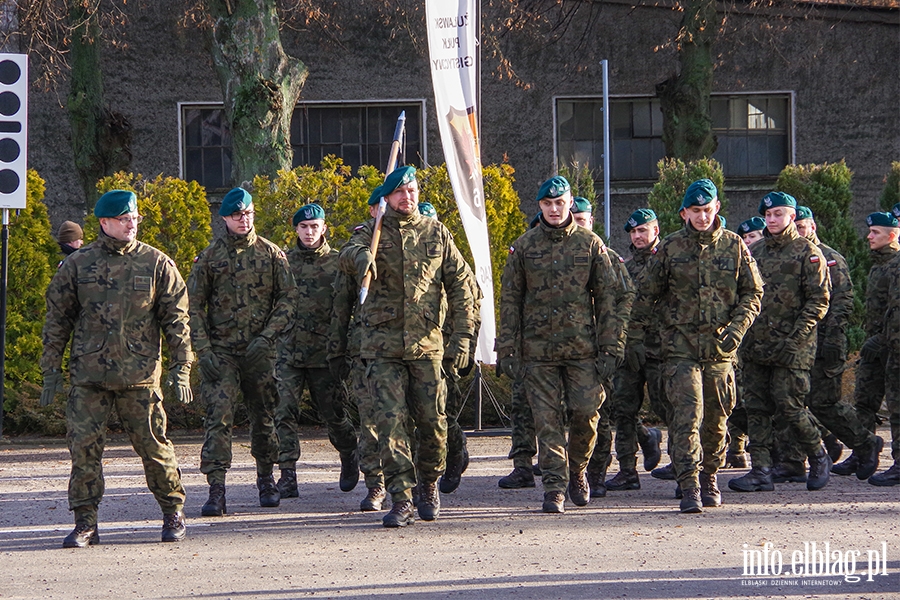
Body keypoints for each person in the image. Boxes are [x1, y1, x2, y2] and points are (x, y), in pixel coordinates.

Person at [40, 189, 193, 547]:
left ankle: (173, 513)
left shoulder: (156, 263)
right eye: (124, 219)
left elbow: (177, 320)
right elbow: (56, 321)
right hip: (89, 377)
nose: (131, 224)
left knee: (155, 449)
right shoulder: (78, 265)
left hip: (139, 377)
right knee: (84, 451)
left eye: (134, 218)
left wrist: (182, 366)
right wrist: (51, 370)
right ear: (104, 222)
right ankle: (85, 523)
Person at [338, 166, 476, 528]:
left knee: (433, 424)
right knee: (390, 425)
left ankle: (428, 484)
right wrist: (360, 258)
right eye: (399, 192)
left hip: (426, 347)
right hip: (382, 350)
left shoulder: (436, 233)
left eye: (411, 190)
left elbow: (463, 285)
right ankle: (400, 497)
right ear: (386, 198)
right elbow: (346, 253)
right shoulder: (371, 232)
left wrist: (462, 337)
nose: (407, 197)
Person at [496, 175, 623, 514]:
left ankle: (578, 469)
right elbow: (510, 300)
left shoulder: (590, 244)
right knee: (546, 421)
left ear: (570, 203)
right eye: (548, 204)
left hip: (582, 349)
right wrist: (507, 347)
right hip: (538, 352)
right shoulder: (524, 247)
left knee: (586, 412)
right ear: (539, 206)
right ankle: (554, 486)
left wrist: (611, 347)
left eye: (560, 203)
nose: (554, 209)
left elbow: (608, 299)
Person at [635, 179, 763, 513]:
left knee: (717, 419)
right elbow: (646, 294)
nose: (703, 217)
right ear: (684, 213)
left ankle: (710, 475)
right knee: (686, 416)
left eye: (707, 210)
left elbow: (753, 293)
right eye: (696, 211)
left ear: (717, 208)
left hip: (720, 349)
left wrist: (737, 328)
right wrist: (641, 336)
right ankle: (689, 483)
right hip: (680, 348)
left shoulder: (734, 246)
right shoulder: (671, 248)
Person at [189, 187, 295, 516]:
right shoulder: (210, 257)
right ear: (224, 219)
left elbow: (288, 300)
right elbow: (193, 307)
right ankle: (216, 489)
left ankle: (266, 479)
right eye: (237, 215)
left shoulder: (272, 254)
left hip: (259, 353)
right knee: (218, 419)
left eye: (248, 213)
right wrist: (203, 350)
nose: (244, 219)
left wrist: (267, 338)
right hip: (222, 353)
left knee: (264, 418)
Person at [728, 192, 832, 494]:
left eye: (779, 215)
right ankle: (761, 469)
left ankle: (818, 455)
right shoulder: (755, 251)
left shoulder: (807, 252)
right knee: (756, 408)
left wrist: (796, 339)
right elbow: (742, 293)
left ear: (792, 216)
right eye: (769, 215)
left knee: (790, 404)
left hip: (792, 346)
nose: (772, 220)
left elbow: (818, 300)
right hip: (757, 344)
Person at [773, 206, 882, 482]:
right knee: (788, 400)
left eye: (802, 226)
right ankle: (792, 460)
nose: (798, 231)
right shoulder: (786, 256)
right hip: (794, 342)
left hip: (824, 341)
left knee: (824, 403)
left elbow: (842, 302)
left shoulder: (830, 258)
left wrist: (833, 339)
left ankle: (864, 442)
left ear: (813, 227)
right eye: (795, 226)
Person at [274, 203, 359, 499]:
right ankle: (287, 475)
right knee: (283, 411)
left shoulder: (339, 262)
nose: (309, 232)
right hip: (289, 351)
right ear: (295, 229)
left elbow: (352, 306)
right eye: (303, 227)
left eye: (314, 227)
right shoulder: (283, 262)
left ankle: (349, 453)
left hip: (326, 352)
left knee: (333, 414)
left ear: (324, 229)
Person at [328, 188, 391, 511]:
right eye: (378, 205)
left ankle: (413, 483)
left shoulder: (417, 237)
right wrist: (336, 351)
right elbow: (341, 306)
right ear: (372, 210)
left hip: (406, 349)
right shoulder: (358, 244)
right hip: (366, 349)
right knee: (369, 421)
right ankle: (375, 484)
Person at [600, 208, 668, 494]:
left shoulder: (666, 261)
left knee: (671, 409)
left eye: (643, 230)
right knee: (623, 409)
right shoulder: (624, 266)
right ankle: (628, 470)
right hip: (629, 350)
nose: (638, 236)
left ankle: (684, 463)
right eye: (633, 232)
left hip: (661, 349)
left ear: (656, 231)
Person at [835, 210, 900, 485]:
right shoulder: (879, 266)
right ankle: (862, 451)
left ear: (892, 235)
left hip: (893, 346)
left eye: (875, 232)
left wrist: (885, 341)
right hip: (877, 346)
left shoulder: (896, 265)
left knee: (897, 407)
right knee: (864, 399)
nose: (869, 236)